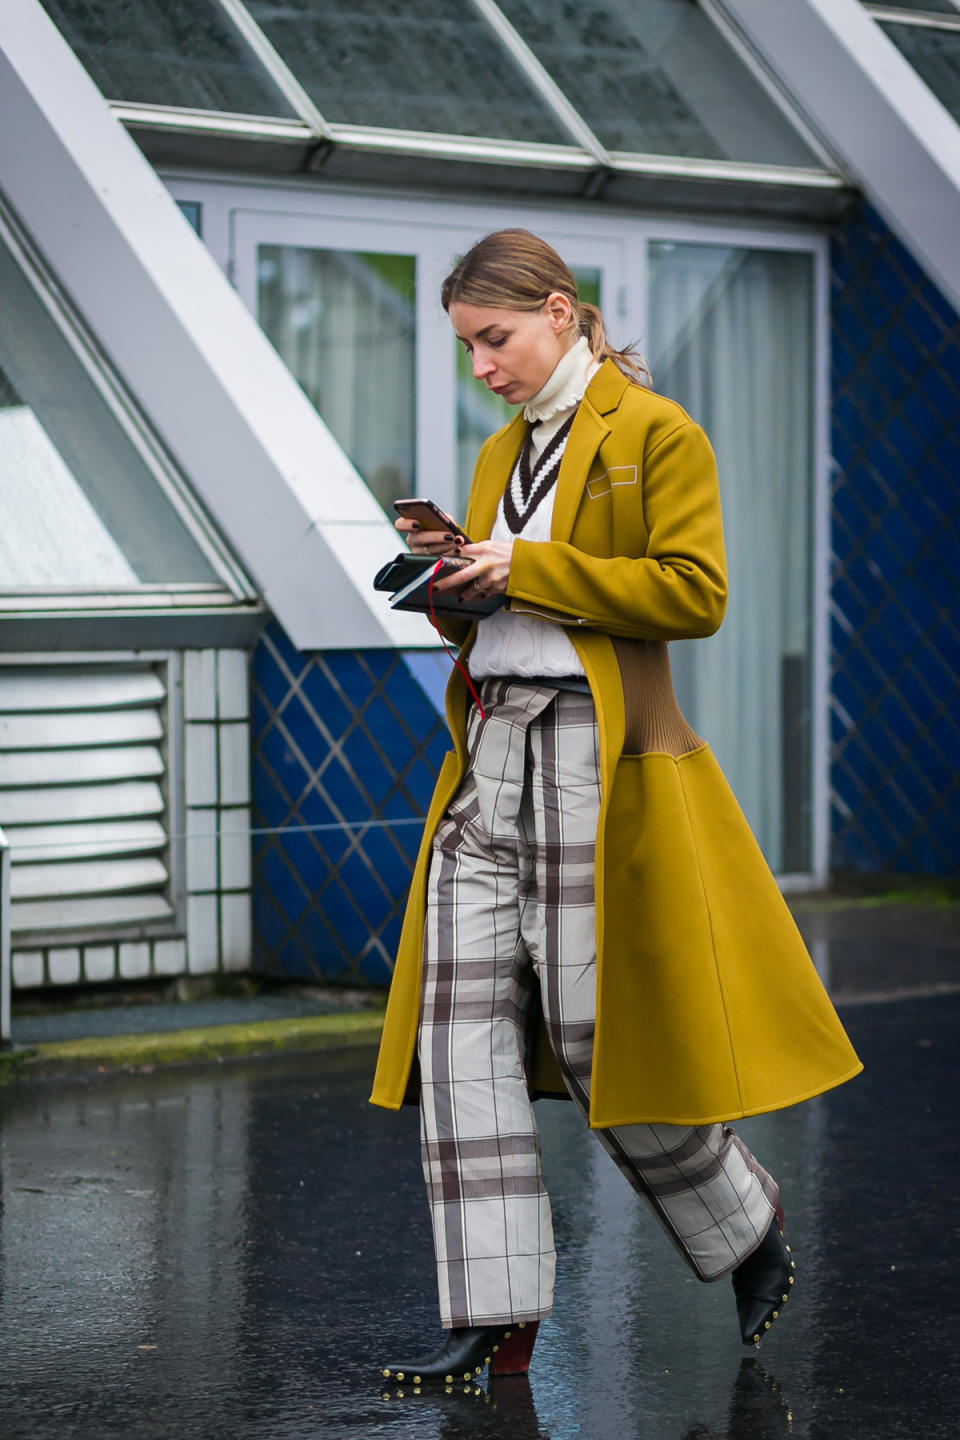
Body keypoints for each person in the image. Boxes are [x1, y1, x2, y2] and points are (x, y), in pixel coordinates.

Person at [370, 229, 861, 1385]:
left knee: (602, 1039)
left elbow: (696, 593)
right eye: (468, 347)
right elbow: (504, 608)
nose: (481, 365)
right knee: (458, 1033)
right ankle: (494, 1312)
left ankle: (743, 1222)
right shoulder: (500, 456)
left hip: (599, 758)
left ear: (558, 311)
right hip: (490, 750)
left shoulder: (658, 432)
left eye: (494, 339)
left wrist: (522, 570)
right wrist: (455, 587)